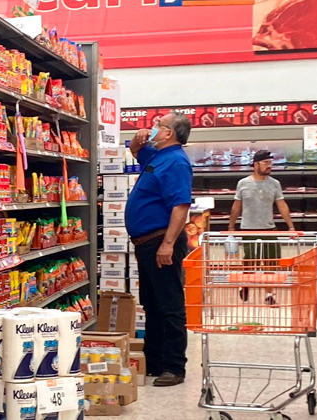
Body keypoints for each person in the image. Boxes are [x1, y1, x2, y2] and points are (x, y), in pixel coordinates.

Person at [125, 112, 193, 387]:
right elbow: (134, 151)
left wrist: (167, 244)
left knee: (169, 304)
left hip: (161, 242)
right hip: (146, 243)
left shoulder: (176, 161)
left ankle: (174, 367)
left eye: (158, 125)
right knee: (152, 304)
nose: (152, 127)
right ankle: (153, 361)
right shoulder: (158, 155)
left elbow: (181, 206)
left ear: (169, 133)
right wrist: (137, 138)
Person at [228, 150, 295, 305]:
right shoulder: (243, 183)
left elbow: (282, 205)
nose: (269, 166)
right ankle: (245, 285)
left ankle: (269, 295)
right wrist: (231, 226)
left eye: (270, 163)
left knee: (271, 263)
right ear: (256, 164)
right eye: (265, 163)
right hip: (248, 229)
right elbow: (237, 205)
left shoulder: (275, 184)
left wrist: (291, 227)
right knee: (249, 261)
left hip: (269, 228)